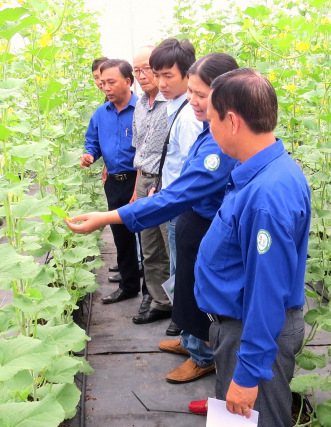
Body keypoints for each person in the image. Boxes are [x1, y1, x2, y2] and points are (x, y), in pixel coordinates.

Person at [66, 53, 239, 389]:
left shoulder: (221, 144)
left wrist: (106, 217)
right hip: (191, 216)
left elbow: (182, 193)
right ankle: (192, 340)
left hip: (205, 222)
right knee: (185, 284)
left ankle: (203, 355)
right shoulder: (206, 126)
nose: (191, 100)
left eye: (200, 94)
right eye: (191, 91)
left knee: (200, 291)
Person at [195, 68, 310, 427]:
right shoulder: (263, 171)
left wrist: (247, 374)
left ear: (232, 121)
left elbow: (267, 293)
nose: (207, 126)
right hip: (240, 329)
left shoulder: (267, 196)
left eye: (210, 117)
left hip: (253, 333)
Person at [80, 59, 140, 304]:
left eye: (111, 82)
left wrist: (140, 186)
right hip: (114, 182)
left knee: (148, 239)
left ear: (128, 81)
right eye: (102, 82)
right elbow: (92, 141)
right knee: (121, 236)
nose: (105, 87)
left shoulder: (142, 110)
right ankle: (129, 286)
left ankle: (154, 295)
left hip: (138, 179)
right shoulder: (100, 113)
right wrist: (90, 155)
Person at [148, 39, 203, 304]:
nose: (161, 83)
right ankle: (184, 329)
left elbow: (194, 171)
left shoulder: (189, 116)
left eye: (168, 76)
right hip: (173, 199)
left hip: (181, 206)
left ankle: (189, 336)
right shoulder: (177, 107)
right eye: (157, 75)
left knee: (182, 270)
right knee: (177, 268)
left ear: (188, 74)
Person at [128, 45, 173, 324]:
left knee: (172, 245)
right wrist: (136, 190)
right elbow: (139, 151)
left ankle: (181, 306)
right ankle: (160, 300)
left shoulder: (174, 106)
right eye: (137, 70)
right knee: (149, 246)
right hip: (144, 179)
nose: (142, 75)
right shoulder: (140, 106)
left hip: (166, 182)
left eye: (147, 68)